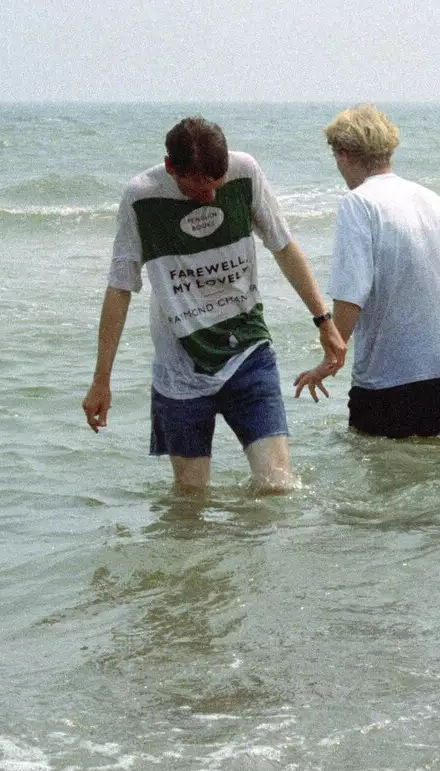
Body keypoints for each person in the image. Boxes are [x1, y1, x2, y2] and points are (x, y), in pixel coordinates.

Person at [81, 116, 344, 492]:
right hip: (180, 370)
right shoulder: (141, 197)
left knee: (278, 486)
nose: (209, 197)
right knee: (190, 502)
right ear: (171, 167)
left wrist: (324, 321)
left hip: (248, 351)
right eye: (196, 190)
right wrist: (101, 380)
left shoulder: (244, 172)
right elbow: (120, 288)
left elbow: (283, 247)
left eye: (215, 186)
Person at [293, 105, 440, 438]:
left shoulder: (358, 203)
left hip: (389, 374)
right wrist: (418, 323)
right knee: (432, 471)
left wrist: (329, 359)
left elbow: (350, 296)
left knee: (377, 475)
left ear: (344, 154)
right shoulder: (431, 199)